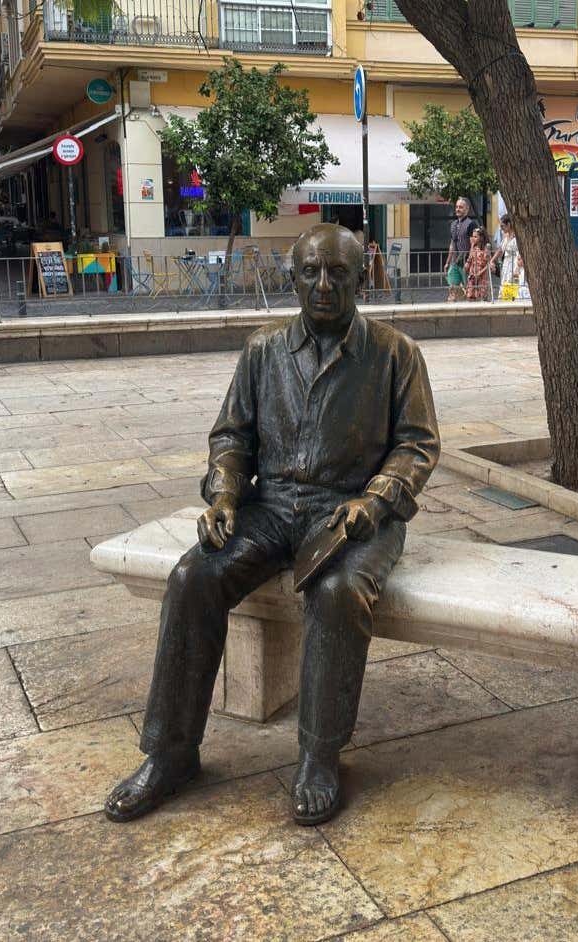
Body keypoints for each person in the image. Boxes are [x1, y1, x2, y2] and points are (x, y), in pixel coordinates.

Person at [104, 223, 440, 828]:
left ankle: (319, 755)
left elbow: (416, 445)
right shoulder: (263, 351)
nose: (324, 285)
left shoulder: (395, 354)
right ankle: (171, 753)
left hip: (352, 514)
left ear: (361, 280)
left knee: (337, 592)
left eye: (338, 273)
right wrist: (224, 496)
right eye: (310, 272)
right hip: (272, 507)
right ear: (293, 280)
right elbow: (231, 436)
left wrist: (375, 500)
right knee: (192, 576)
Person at [444, 196, 476, 302]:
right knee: (452, 288)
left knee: (469, 290)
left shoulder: (471, 224)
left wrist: (469, 261)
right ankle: (451, 307)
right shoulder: (453, 224)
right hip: (454, 262)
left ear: (467, 209)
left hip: (466, 262)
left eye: (461, 207)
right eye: (457, 207)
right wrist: (447, 262)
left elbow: (473, 245)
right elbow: (452, 244)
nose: (458, 209)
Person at [490, 214, 519, 298]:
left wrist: (517, 268)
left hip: (514, 262)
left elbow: (519, 253)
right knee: (505, 282)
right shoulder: (505, 237)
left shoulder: (516, 237)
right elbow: (500, 250)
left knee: (513, 283)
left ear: (508, 224)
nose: (501, 228)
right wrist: (492, 260)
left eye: (502, 226)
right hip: (506, 263)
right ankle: (506, 298)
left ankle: (512, 299)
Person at [464, 227, 491, 301]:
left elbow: (488, 263)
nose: (473, 238)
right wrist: (467, 264)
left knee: (481, 297)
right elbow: (470, 257)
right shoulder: (474, 247)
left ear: (481, 238)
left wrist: (480, 273)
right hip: (473, 274)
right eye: (473, 236)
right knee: (470, 296)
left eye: (475, 237)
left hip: (482, 274)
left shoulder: (486, 248)